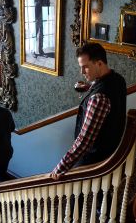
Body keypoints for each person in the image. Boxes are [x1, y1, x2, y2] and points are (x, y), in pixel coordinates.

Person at [50, 43, 127, 180]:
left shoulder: (98, 98)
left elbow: (84, 140)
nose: (82, 72)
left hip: (93, 159)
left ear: (99, 63)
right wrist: (89, 87)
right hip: (112, 151)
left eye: (85, 67)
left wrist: (60, 168)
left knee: (75, 195)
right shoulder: (118, 79)